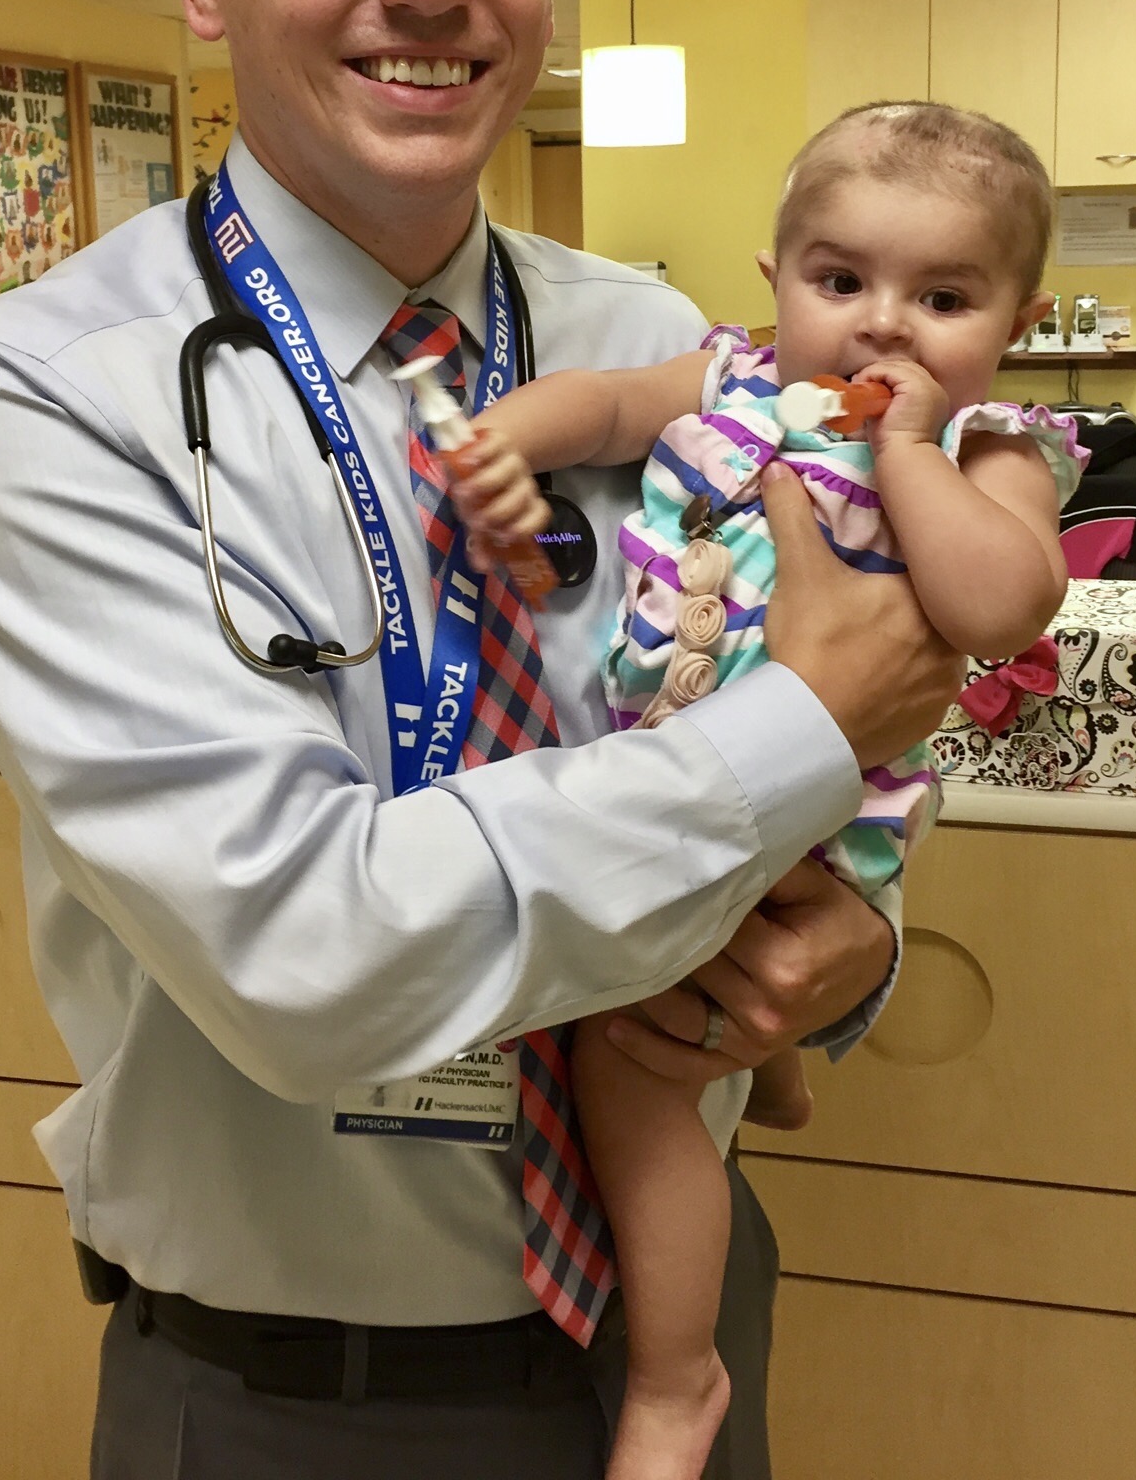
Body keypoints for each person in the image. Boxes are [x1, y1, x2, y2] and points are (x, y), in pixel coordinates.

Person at [0, 0, 963, 1480]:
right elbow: (309, 951)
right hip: (290, 1399)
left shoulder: (654, 342)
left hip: (678, 1325)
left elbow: (856, 686)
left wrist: (848, 944)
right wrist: (798, 730)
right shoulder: (47, 393)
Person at [448, 99, 1083, 1480]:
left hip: (818, 810)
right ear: (775, 278)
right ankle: (777, 1073)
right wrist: (511, 436)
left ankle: (676, 1383)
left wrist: (909, 451)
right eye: (840, 281)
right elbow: (611, 406)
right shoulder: (732, 380)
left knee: (628, 1061)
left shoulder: (994, 452)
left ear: (1017, 324)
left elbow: (1000, 605)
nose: (884, 327)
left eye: (945, 296)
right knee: (701, 1004)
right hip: (675, 773)